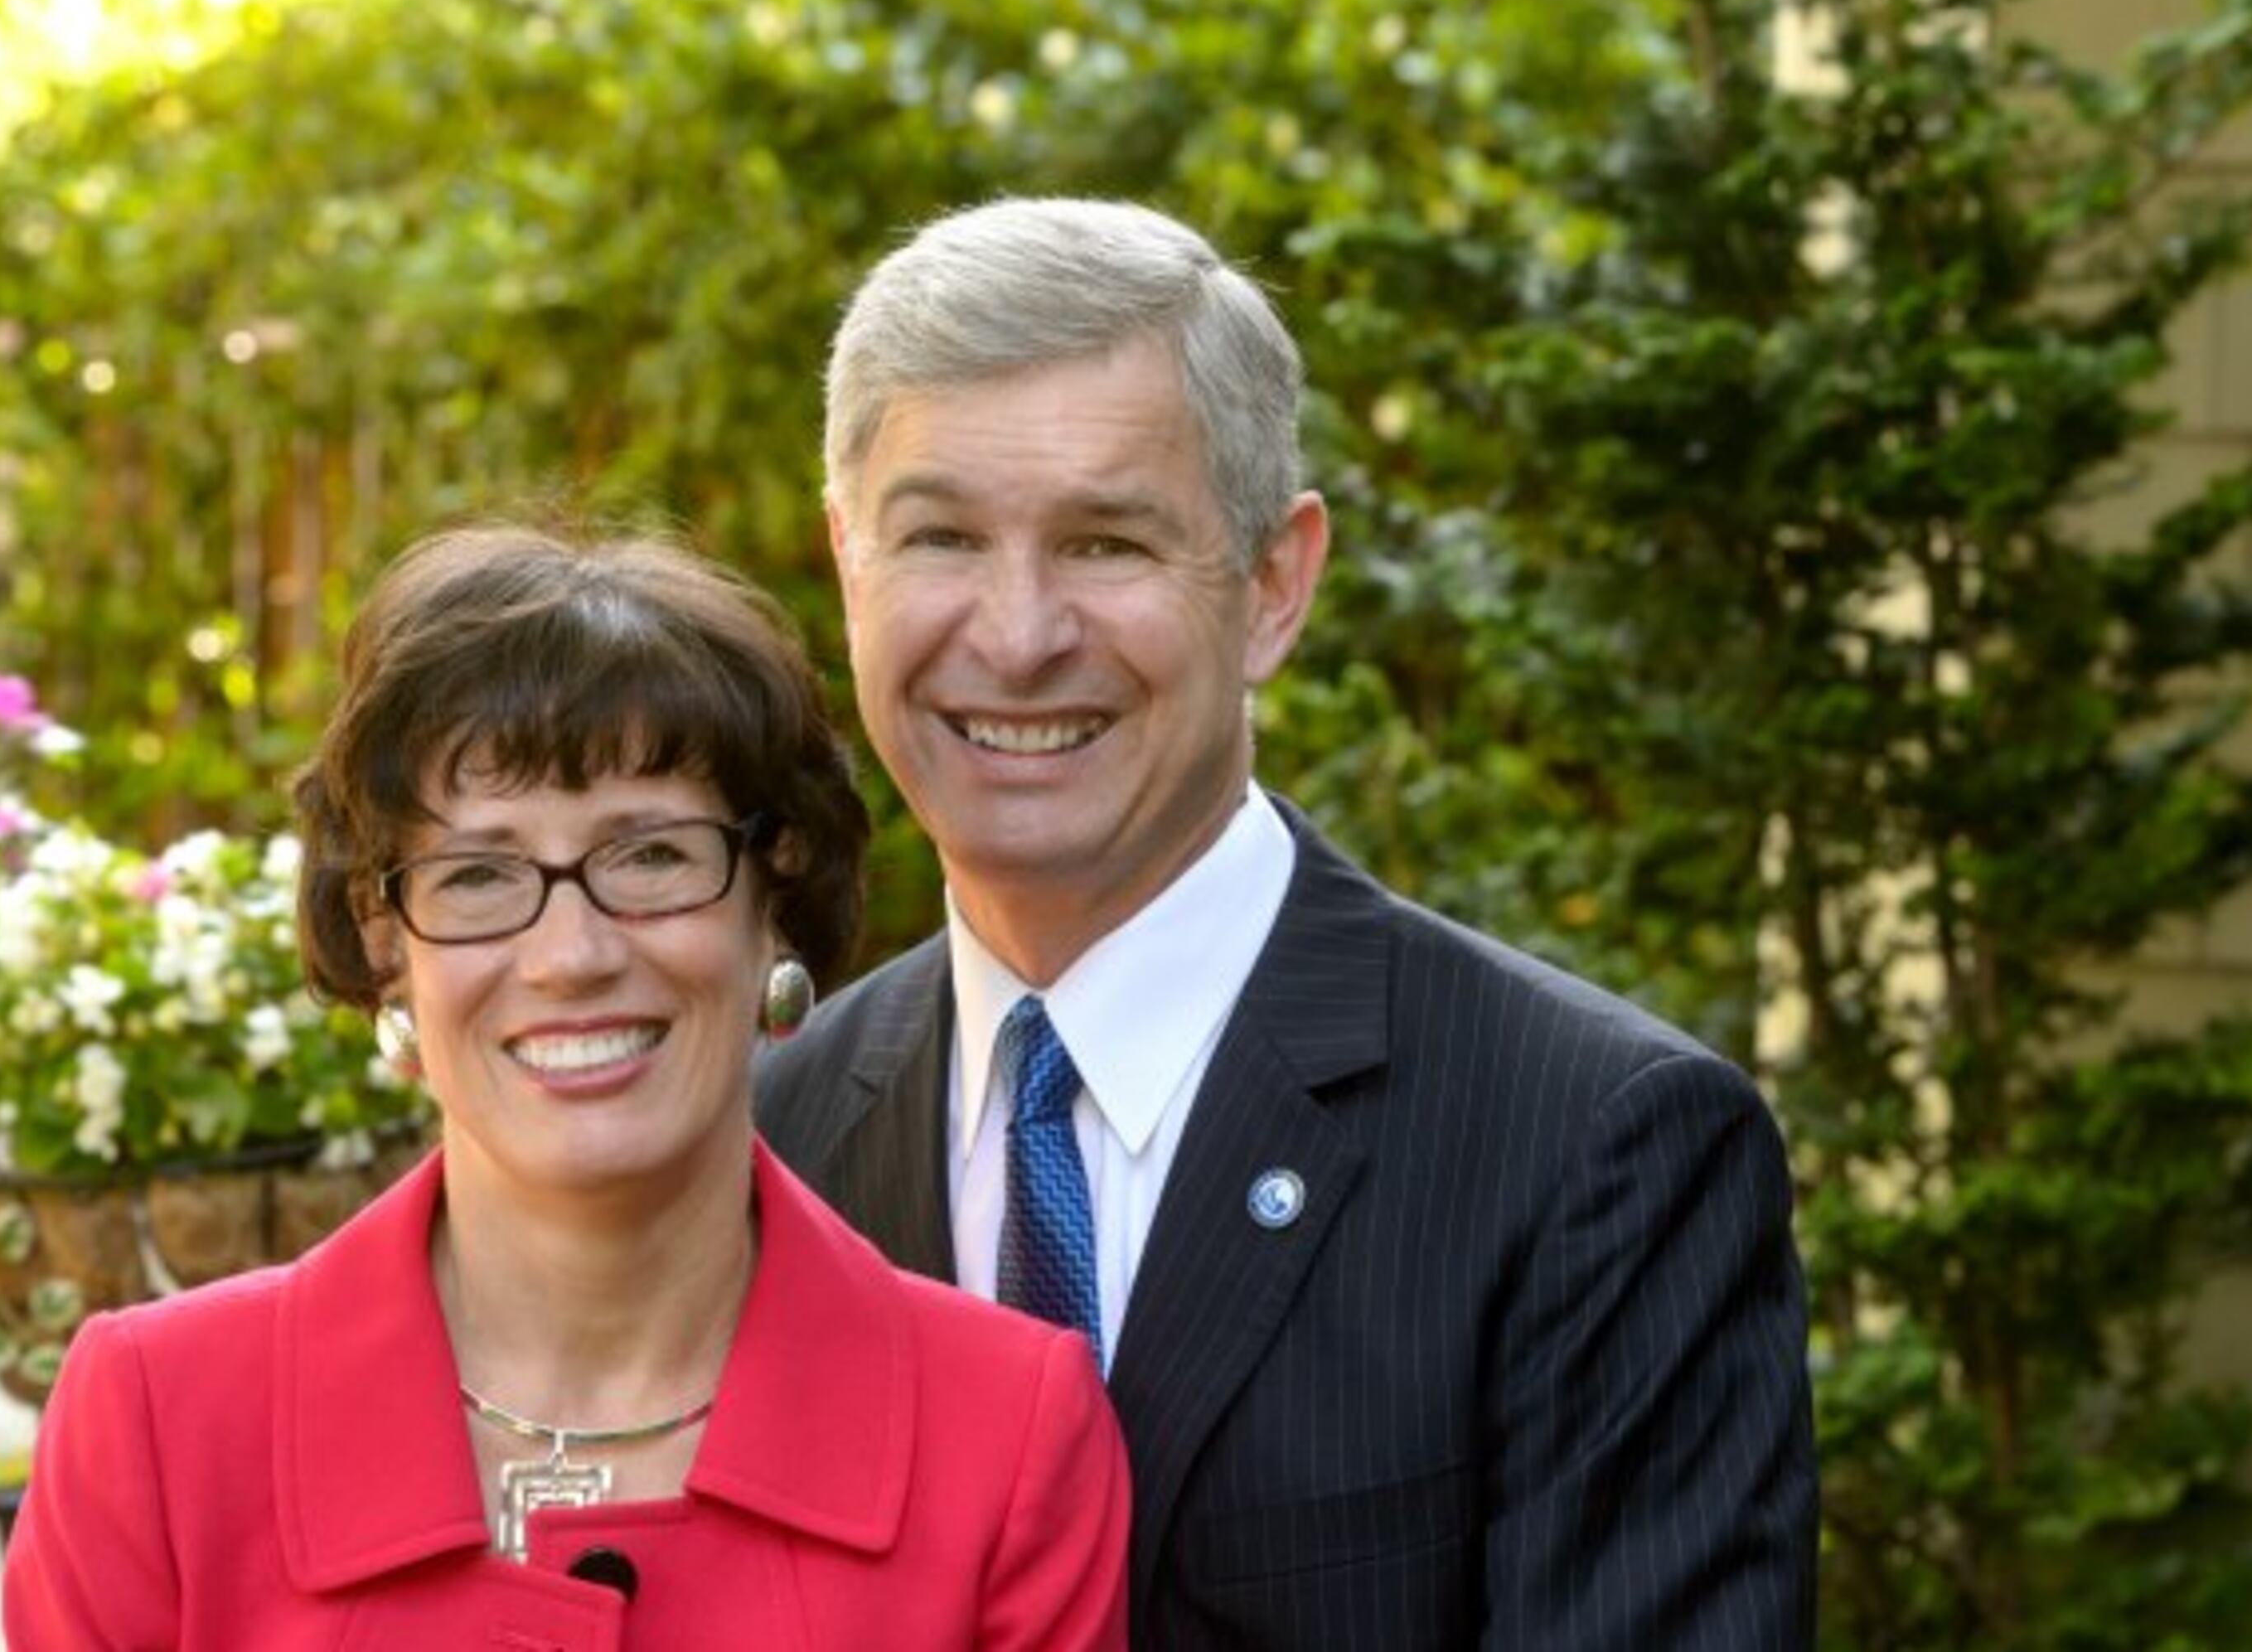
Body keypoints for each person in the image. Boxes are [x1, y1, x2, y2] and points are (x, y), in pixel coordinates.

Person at [754, 198, 1819, 1649]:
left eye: (1107, 544)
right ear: (846, 565)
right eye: (940, 537)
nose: (1015, 635)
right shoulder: (762, 1149)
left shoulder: (1595, 1152)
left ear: (1273, 586)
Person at [4, 524, 1130, 1650]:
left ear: (774, 896)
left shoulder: (1008, 1441)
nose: (570, 955)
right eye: (479, 875)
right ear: (383, 937)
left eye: (649, 856)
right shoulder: (159, 1426)